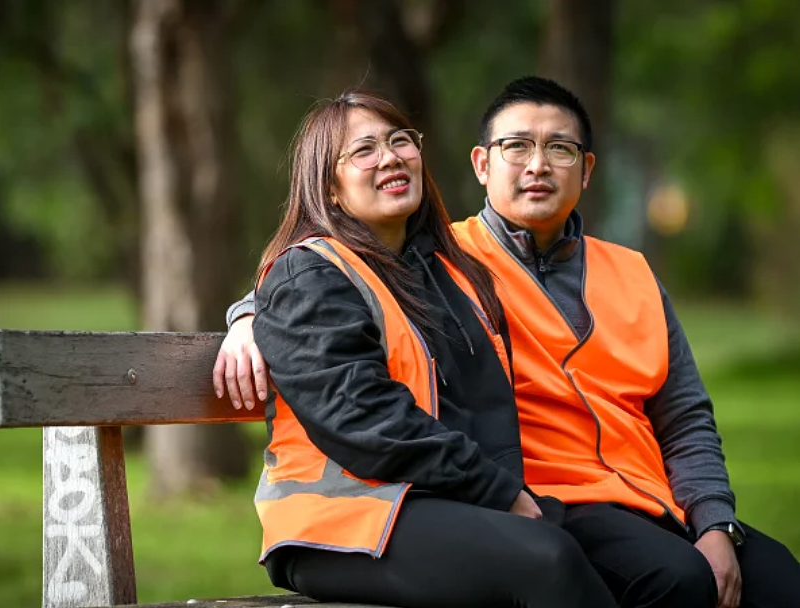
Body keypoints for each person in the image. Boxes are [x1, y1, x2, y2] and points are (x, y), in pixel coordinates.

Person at [215, 77, 800, 608]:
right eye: (516, 146)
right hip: (354, 516)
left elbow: (686, 416)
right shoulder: (459, 259)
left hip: (576, 497)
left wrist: (713, 522)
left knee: (778, 579)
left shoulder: (439, 267)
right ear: (480, 164)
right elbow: (311, 301)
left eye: (560, 149)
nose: (537, 166)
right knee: (606, 570)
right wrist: (248, 315)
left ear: (587, 168)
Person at [238, 90, 618, 608]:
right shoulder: (310, 274)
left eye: (399, 141)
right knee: (547, 560)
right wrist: (500, 492)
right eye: (364, 150)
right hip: (338, 522)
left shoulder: (442, 272)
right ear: (328, 187)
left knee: (633, 561)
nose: (390, 157)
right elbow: (366, 422)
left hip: (428, 499)